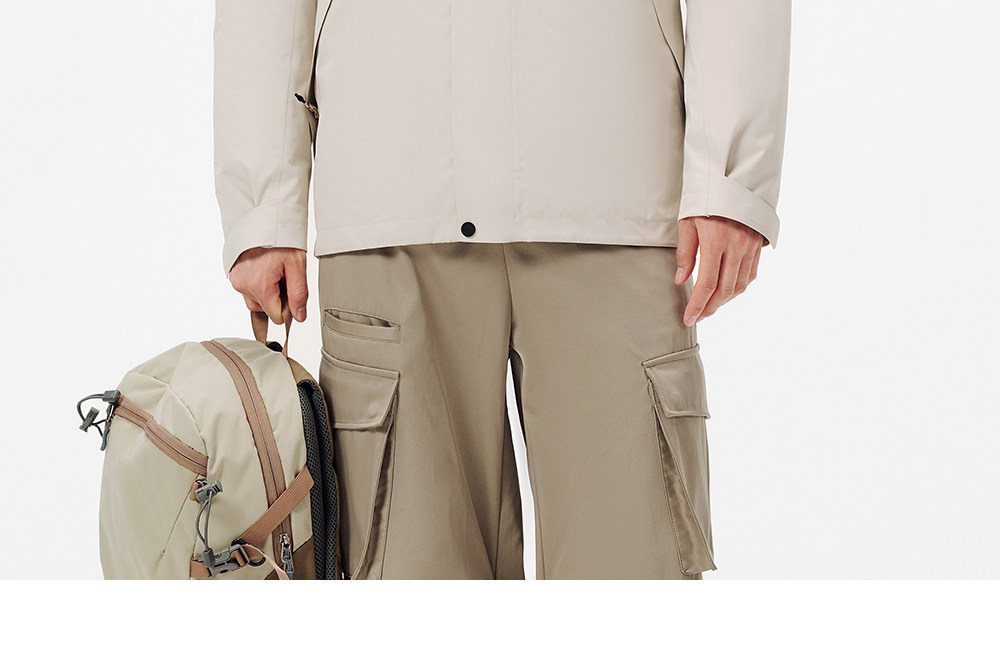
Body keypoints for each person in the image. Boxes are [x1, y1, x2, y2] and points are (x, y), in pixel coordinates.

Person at [214, 0, 791, 580]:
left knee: (634, 569)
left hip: (613, 194)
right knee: (410, 579)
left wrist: (730, 178)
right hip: (391, 197)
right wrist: (264, 204)